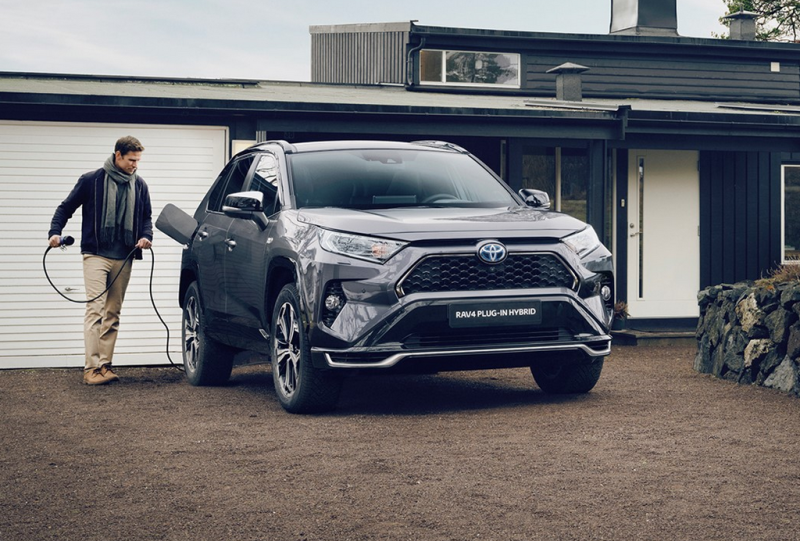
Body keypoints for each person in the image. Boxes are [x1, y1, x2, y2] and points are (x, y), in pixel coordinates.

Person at [48, 136, 153, 385]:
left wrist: (146, 236)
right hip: (96, 254)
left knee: (113, 312)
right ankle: (91, 369)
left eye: (138, 160)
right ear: (118, 155)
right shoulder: (91, 180)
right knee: (95, 309)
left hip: (124, 256)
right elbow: (65, 207)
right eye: (131, 160)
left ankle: (105, 365)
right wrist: (54, 232)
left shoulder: (139, 185)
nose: (135, 165)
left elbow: (146, 217)